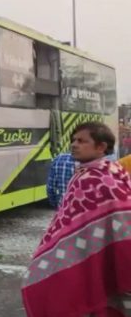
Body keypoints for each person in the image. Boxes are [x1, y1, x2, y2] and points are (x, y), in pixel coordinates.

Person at [22, 121, 131, 316]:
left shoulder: (101, 178)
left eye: (82, 141)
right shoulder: (88, 173)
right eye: (73, 140)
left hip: (94, 248)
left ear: (101, 147)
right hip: (83, 246)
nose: (74, 144)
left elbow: (121, 217)